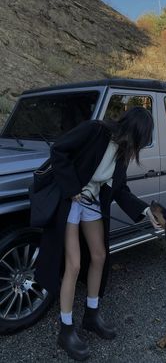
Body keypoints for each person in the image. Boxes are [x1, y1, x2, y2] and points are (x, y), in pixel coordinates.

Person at [35, 106, 159, 361]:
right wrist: (71, 188)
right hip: (71, 198)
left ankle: (91, 314)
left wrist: (147, 212)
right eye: (141, 141)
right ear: (132, 131)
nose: (139, 149)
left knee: (100, 256)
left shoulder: (122, 154)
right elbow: (59, 150)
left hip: (91, 203)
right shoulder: (95, 130)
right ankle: (66, 329)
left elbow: (121, 191)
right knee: (74, 264)